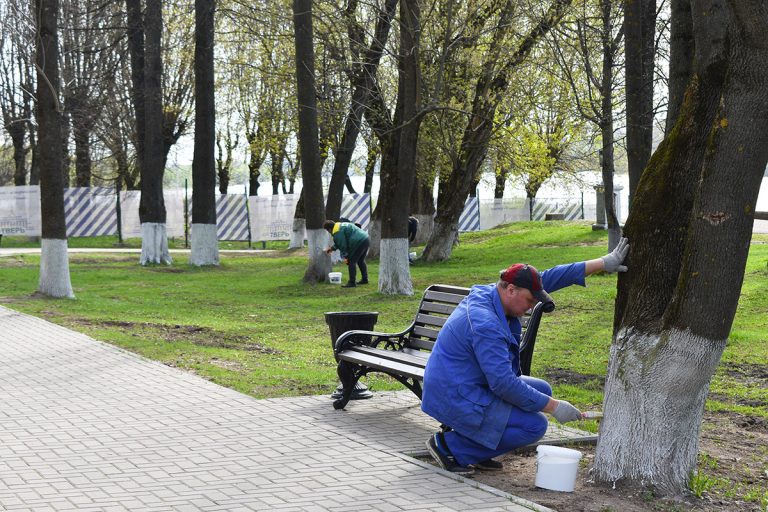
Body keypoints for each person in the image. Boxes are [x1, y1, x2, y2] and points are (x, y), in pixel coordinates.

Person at [421, 238, 630, 475]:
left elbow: (551, 277)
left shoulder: (497, 292)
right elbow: (503, 384)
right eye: (530, 301)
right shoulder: (485, 324)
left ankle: (477, 448)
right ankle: (451, 447)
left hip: (467, 380)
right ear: (511, 290)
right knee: (534, 426)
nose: (531, 307)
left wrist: (603, 263)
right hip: (455, 393)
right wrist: (554, 407)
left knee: (542, 389)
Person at [324, 219, 370, 288]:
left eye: (327, 231)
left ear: (329, 229)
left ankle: (352, 282)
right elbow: (340, 241)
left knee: (351, 262)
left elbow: (343, 245)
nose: (328, 232)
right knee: (360, 261)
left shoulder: (337, 231)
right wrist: (332, 248)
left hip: (358, 242)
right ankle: (365, 279)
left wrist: (346, 257)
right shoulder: (340, 225)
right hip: (366, 239)